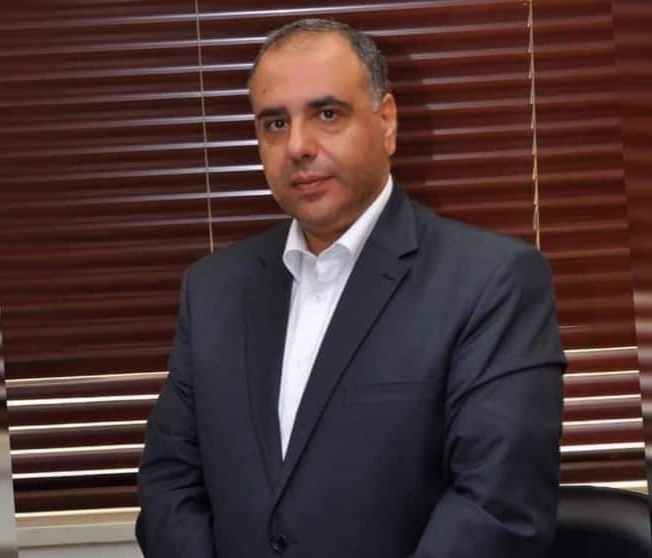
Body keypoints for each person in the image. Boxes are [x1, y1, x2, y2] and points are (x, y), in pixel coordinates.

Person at [137, 18, 565, 558]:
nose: (297, 146)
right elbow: (169, 481)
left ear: (386, 123)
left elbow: (497, 508)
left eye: (327, 114)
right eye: (275, 123)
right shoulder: (212, 289)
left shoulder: (491, 281)